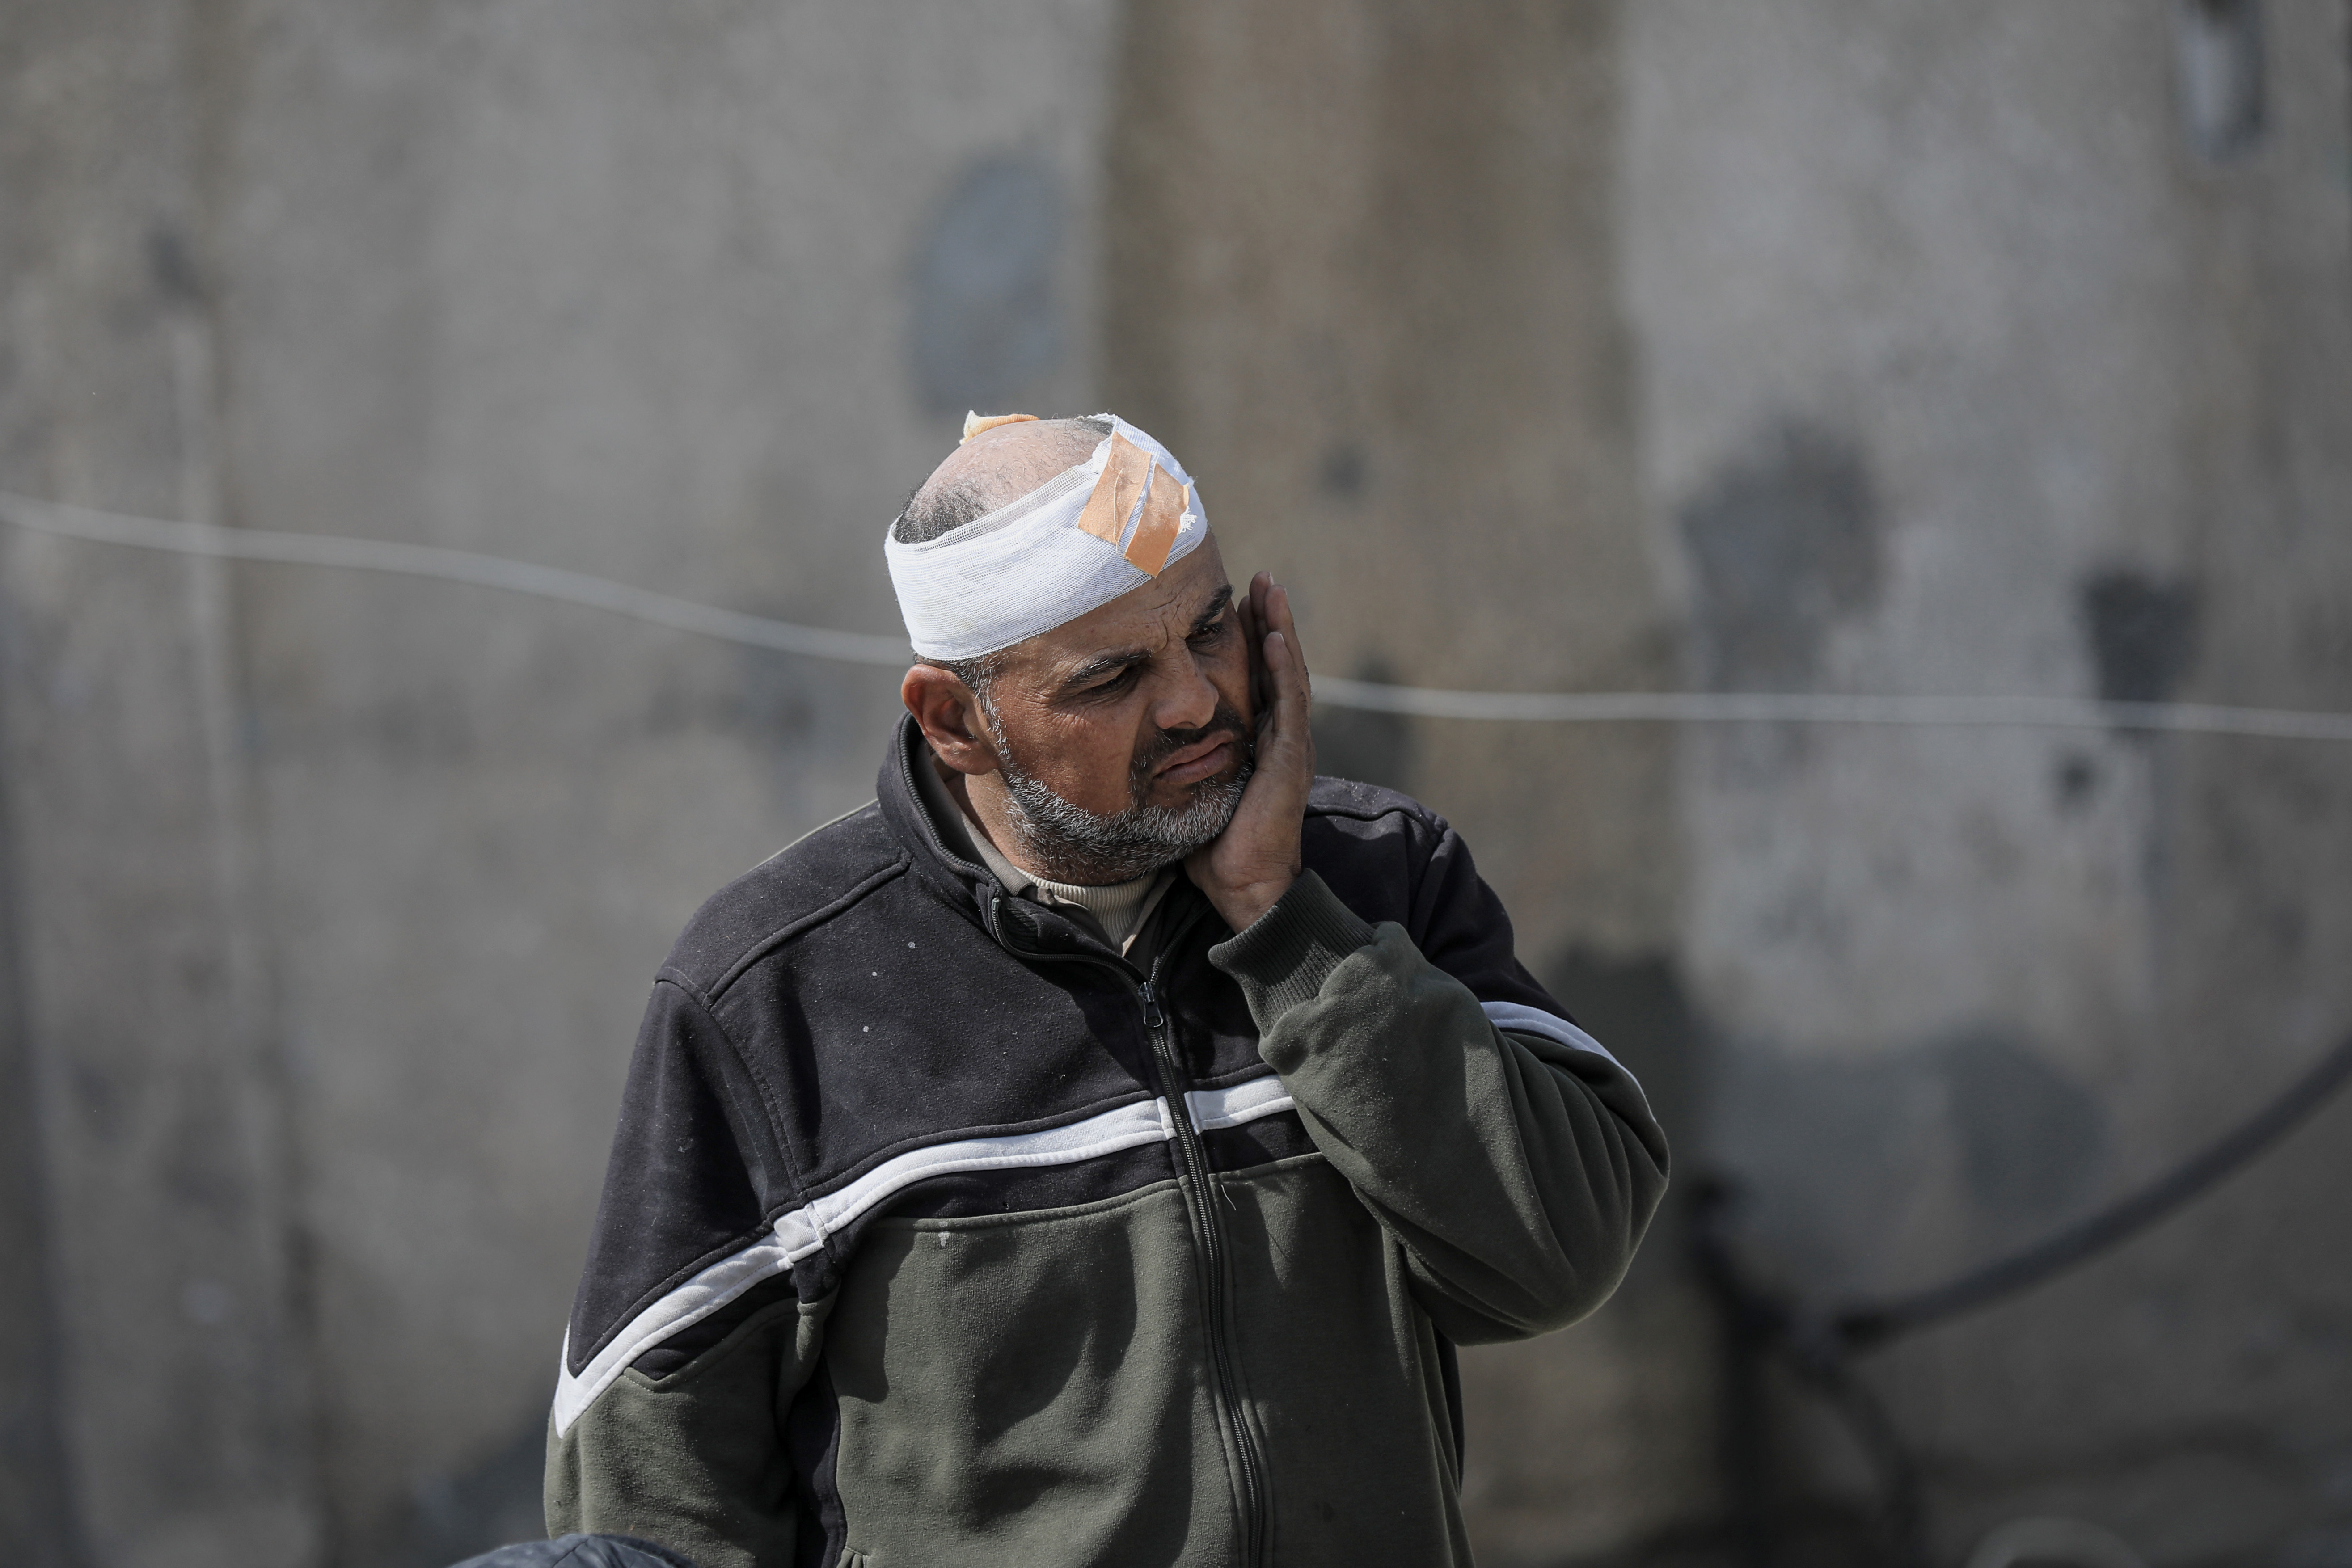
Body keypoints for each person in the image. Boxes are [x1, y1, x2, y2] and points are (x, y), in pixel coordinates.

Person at [544, 413, 1669, 1568]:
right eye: (1114, 675)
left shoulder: (1380, 881)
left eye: (1211, 629)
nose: (1194, 702)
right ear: (953, 719)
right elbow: (656, 1497)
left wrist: (1287, 924)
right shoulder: (772, 993)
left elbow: (1555, 1259)